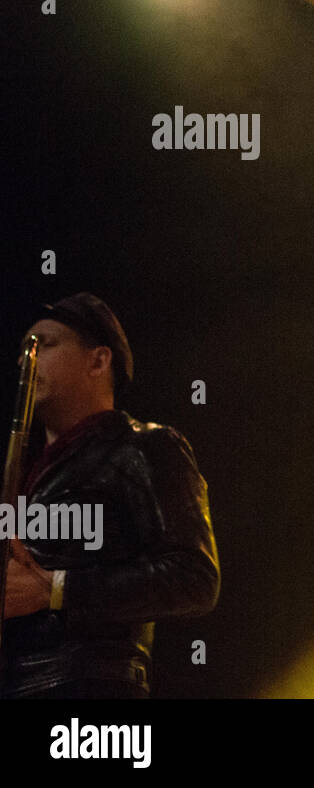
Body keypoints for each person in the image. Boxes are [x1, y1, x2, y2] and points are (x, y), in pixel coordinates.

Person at [1, 293, 219, 698]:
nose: (24, 363)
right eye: (22, 350)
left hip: (89, 686)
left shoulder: (145, 447)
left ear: (99, 361)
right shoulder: (21, 471)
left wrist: (55, 589)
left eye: (43, 345)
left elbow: (195, 578)